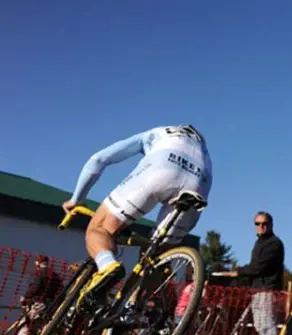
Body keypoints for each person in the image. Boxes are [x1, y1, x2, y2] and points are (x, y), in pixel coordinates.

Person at [62, 125, 212, 309]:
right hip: (199, 182)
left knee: (100, 228)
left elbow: (98, 159)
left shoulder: (156, 133)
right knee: (159, 254)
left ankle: (107, 265)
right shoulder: (203, 150)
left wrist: (76, 199)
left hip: (162, 168)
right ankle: (135, 308)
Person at [215, 212, 284, 335]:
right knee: (260, 324)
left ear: (271, 224)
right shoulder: (259, 243)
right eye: (257, 224)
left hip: (267, 289)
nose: (261, 226)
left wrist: (238, 273)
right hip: (257, 289)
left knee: (266, 324)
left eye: (264, 223)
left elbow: (258, 267)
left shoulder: (274, 243)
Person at [15, 255, 64, 335]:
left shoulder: (40, 274)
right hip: (50, 306)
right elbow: (61, 291)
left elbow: (35, 287)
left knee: (25, 326)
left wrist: (25, 297)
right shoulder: (55, 276)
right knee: (44, 329)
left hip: (38, 304)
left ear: (37, 263)